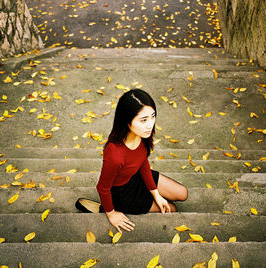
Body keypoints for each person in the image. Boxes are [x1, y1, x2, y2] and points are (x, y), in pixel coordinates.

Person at [75, 89, 188, 233]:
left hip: (137, 176)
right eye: (144, 120)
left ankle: (151, 197)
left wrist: (156, 194)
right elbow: (102, 188)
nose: (150, 124)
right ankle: (105, 208)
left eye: (152, 117)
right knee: (172, 209)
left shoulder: (141, 135)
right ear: (127, 121)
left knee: (182, 193)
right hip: (125, 195)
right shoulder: (115, 154)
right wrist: (111, 214)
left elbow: (142, 163)